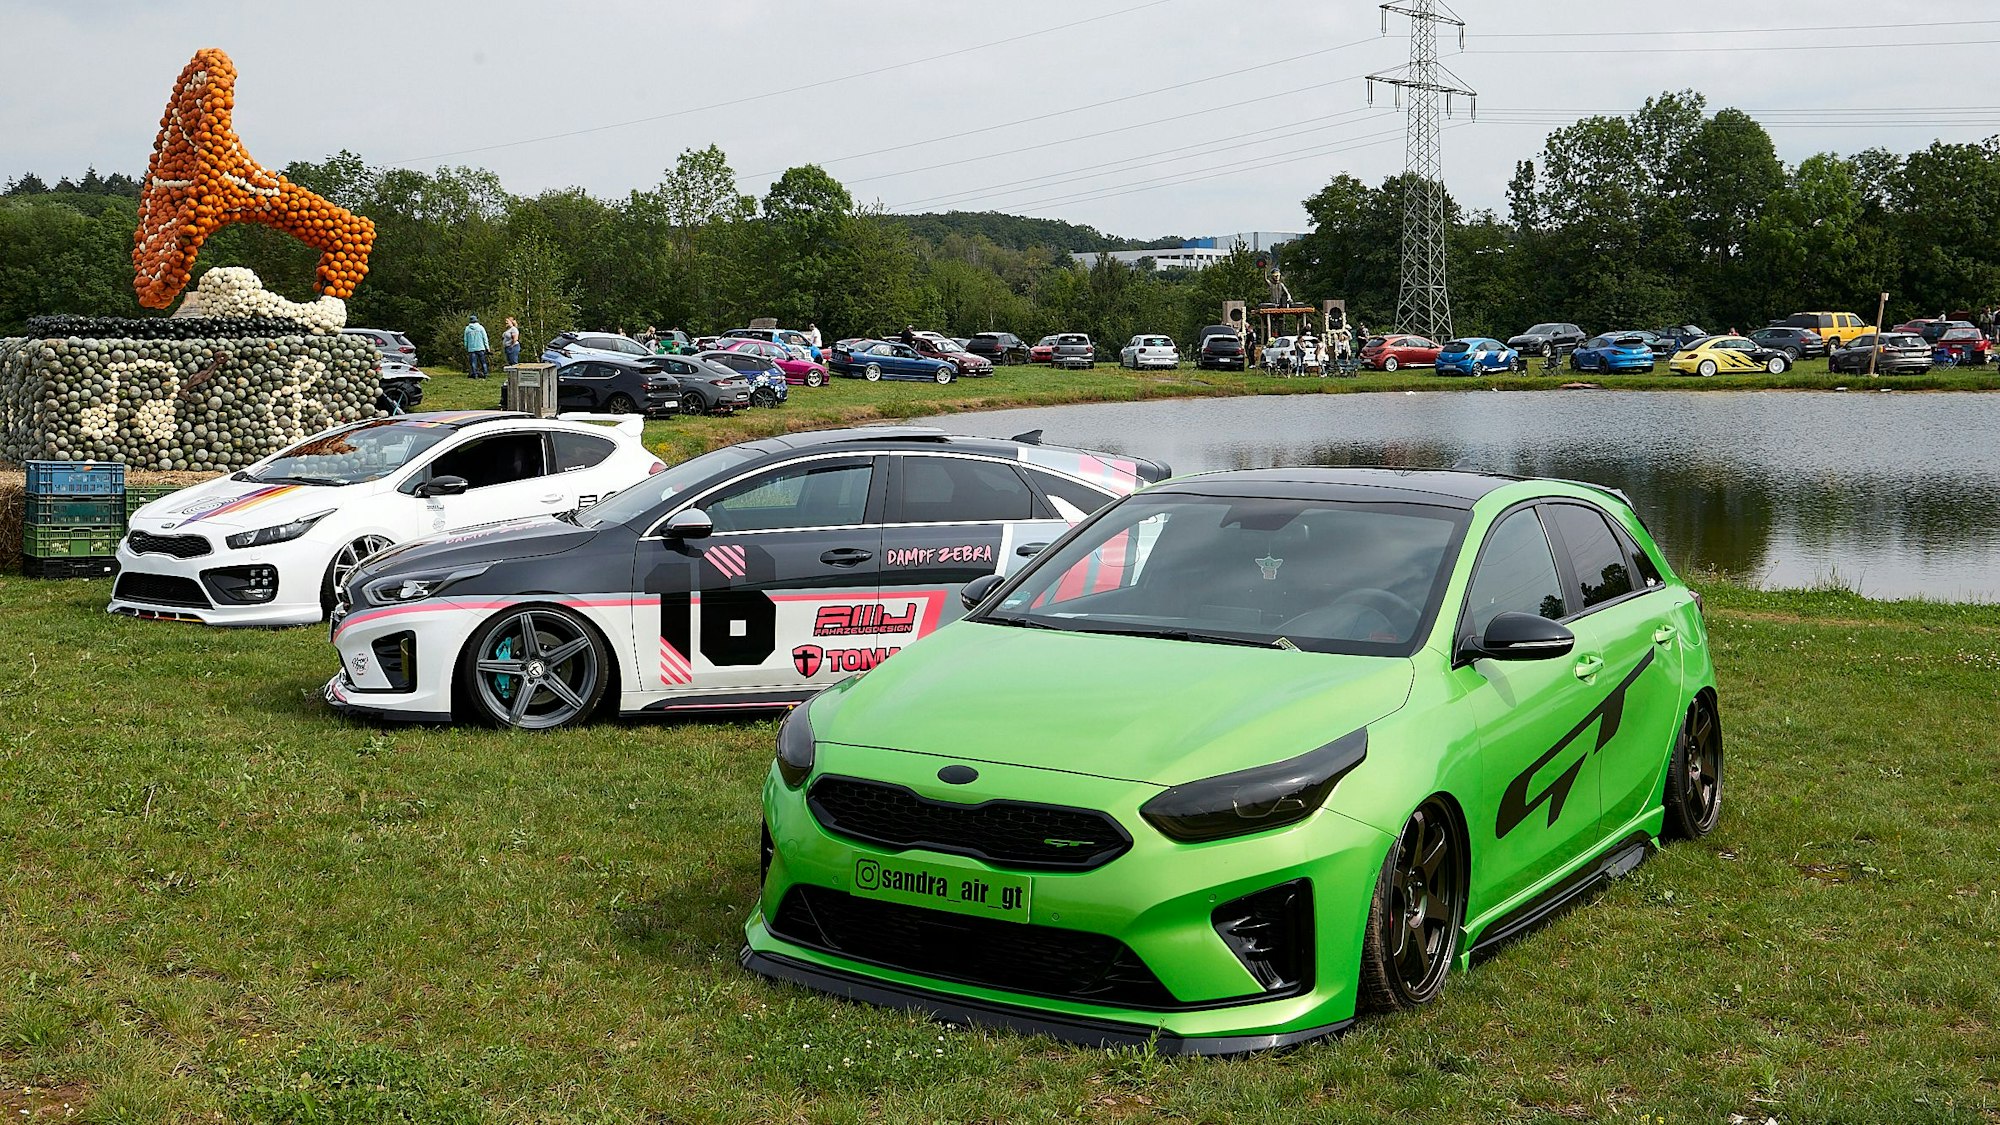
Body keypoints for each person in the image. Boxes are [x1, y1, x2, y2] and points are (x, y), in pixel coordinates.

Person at [463, 314, 491, 379]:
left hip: (471, 348)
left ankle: (475, 375)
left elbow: (465, 339)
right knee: (483, 362)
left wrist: (466, 346)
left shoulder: (467, 329)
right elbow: (485, 338)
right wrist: (487, 347)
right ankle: (485, 374)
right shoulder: (481, 328)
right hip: (481, 347)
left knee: (473, 363)